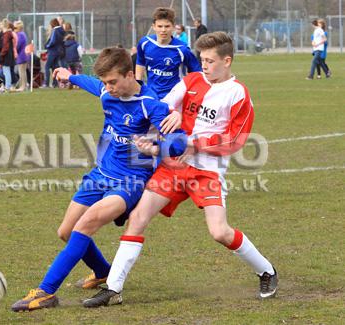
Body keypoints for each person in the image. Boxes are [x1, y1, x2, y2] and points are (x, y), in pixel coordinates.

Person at [83, 32, 279, 308]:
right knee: (138, 217)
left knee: (219, 232)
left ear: (227, 61)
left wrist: (191, 142)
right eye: (202, 60)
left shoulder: (238, 94)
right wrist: (153, 136)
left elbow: (235, 141)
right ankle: (114, 289)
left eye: (210, 61)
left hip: (206, 173)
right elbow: (161, 106)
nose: (205, 66)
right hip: (172, 168)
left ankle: (266, 271)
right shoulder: (191, 80)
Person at [10, 47, 183, 312]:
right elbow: (92, 85)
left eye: (113, 82)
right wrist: (70, 76)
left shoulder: (151, 104)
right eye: (105, 82)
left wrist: (156, 148)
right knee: (66, 232)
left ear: (129, 75)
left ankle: (45, 292)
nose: (108, 88)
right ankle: (103, 271)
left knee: (86, 223)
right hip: (99, 175)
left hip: (130, 181)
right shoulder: (106, 91)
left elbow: (179, 144)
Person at [136, 7, 200, 100]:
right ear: (153, 26)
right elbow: (140, 62)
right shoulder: (145, 43)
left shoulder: (182, 49)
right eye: (160, 26)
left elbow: (196, 72)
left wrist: (189, 90)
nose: (163, 30)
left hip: (174, 98)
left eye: (167, 26)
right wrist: (138, 83)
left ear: (173, 27)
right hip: (151, 96)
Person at [43, 18, 65, 88]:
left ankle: (46, 83)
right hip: (59, 51)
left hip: (52, 51)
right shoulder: (62, 30)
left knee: (47, 67)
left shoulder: (55, 30)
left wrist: (47, 46)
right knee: (54, 68)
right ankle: (55, 83)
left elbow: (52, 41)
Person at [0, 19, 15, 93]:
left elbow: (5, 47)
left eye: (1, 24)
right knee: (5, 71)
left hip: (7, 56)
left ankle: (7, 86)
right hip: (7, 55)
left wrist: (1, 54)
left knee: (6, 71)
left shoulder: (7, 34)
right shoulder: (6, 33)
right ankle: (7, 86)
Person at [14, 20, 29, 92]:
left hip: (21, 55)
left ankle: (23, 86)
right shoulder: (22, 34)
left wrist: (13, 49)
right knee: (22, 71)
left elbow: (18, 45)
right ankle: (24, 85)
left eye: (15, 28)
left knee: (22, 72)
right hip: (23, 54)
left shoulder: (20, 35)